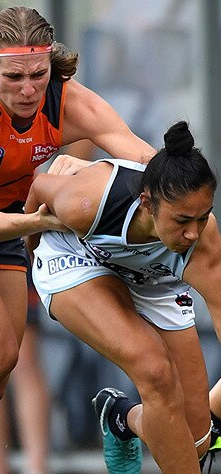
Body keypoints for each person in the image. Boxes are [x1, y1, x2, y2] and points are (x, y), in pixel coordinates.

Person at [0, 5, 155, 472]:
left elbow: (144, 159)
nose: (27, 90)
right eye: (14, 78)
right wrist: (40, 224)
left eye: (38, 75)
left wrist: (183, 182)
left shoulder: (71, 101)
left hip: (5, 219)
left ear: (50, 64)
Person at [27, 121, 219, 473]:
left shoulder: (203, 242)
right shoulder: (88, 201)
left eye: (203, 218)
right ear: (147, 203)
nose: (193, 232)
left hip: (154, 278)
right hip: (79, 260)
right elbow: (39, 187)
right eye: (182, 220)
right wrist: (27, 258)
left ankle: (121, 417)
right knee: (155, 369)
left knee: (196, 439)